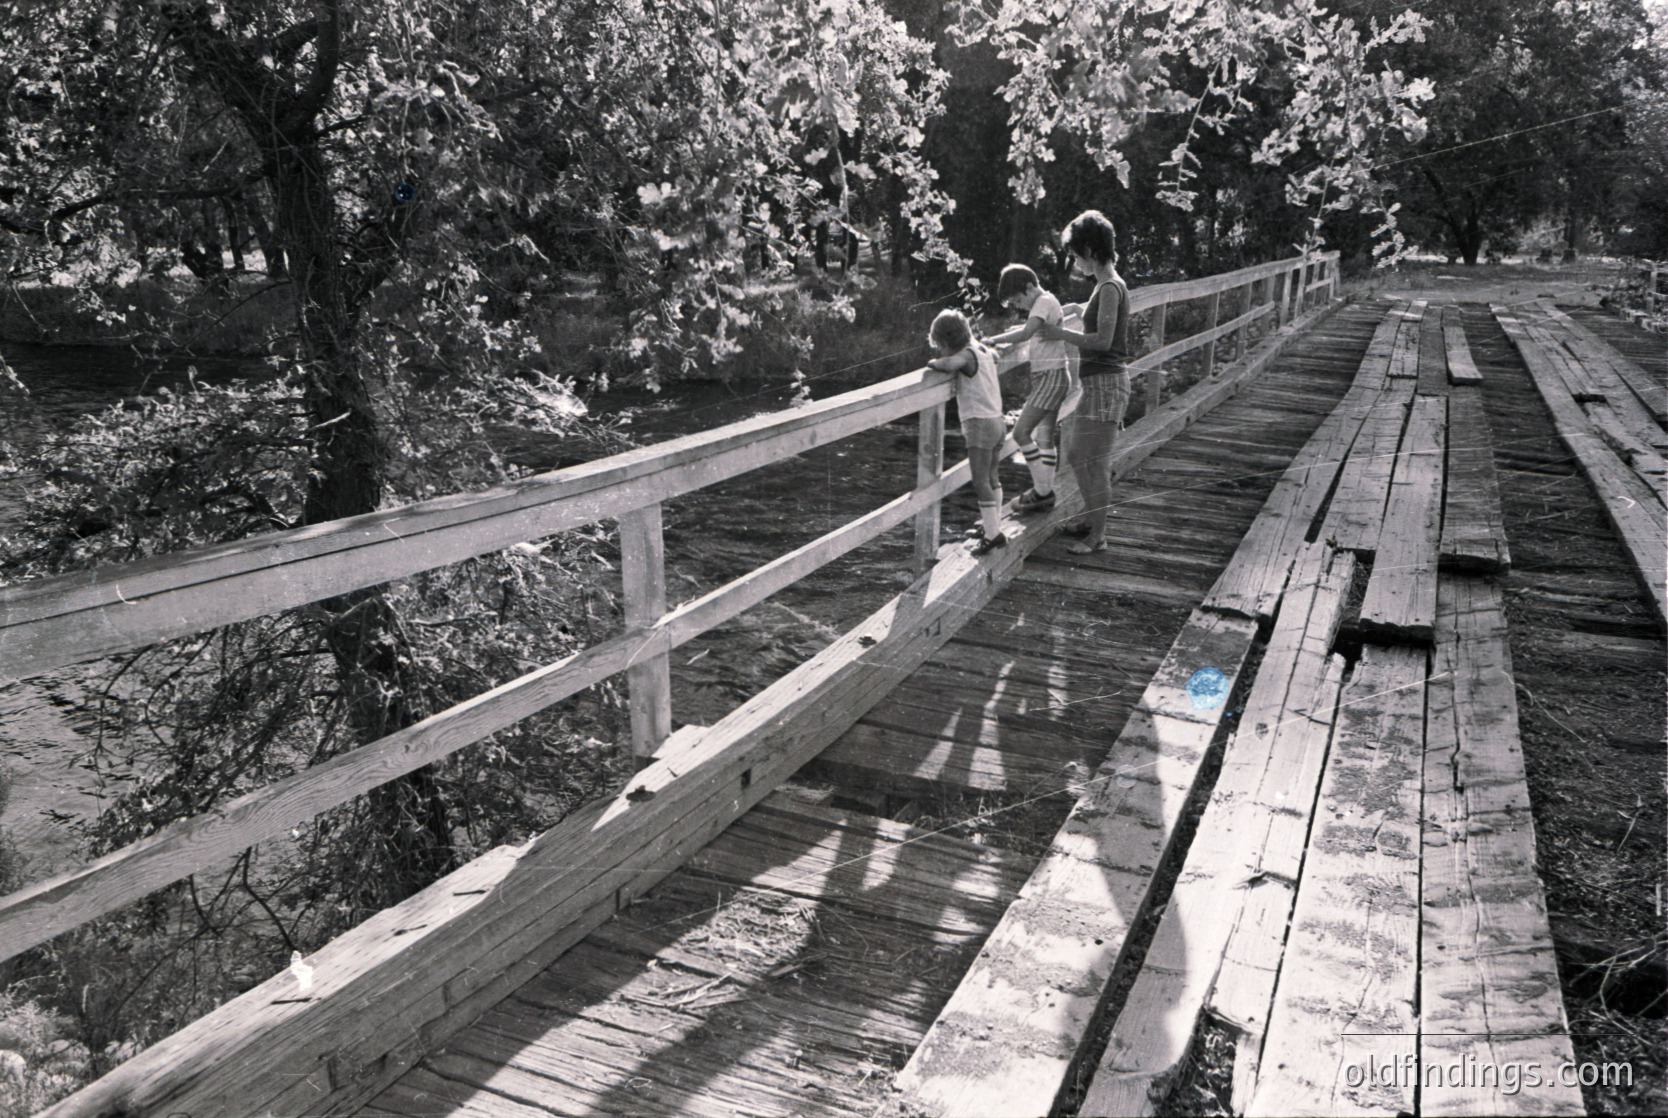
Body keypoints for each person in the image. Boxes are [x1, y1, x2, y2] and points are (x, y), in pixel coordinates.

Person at [1035, 210, 1132, 555]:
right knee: (1079, 455)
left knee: (1092, 460)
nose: (1075, 261)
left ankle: (1098, 535)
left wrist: (1060, 333)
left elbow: (1104, 341)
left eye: (1076, 254)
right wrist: (1078, 310)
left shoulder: (1108, 288)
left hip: (1107, 383)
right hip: (1100, 384)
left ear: (1090, 250)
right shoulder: (1105, 287)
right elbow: (1099, 321)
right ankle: (1092, 519)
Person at [985, 264, 1074, 514]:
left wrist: (994, 340)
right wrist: (1004, 335)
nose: (1018, 306)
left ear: (1029, 288)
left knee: (1021, 433)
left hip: (1051, 377)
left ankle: (1042, 492)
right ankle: (1044, 491)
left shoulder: (1043, 302)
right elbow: (1028, 331)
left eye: (1017, 299)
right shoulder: (1044, 302)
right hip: (1051, 376)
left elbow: (1025, 334)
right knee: (1044, 438)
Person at [925, 308, 1008, 555]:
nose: (941, 352)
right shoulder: (983, 350)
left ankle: (993, 535)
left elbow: (950, 364)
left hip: (979, 424)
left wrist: (934, 363)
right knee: (992, 477)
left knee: (980, 480)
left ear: (946, 341)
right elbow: (996, 356)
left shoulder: (966, 355)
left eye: (940, 346)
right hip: (997, 421)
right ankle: (993, 525)